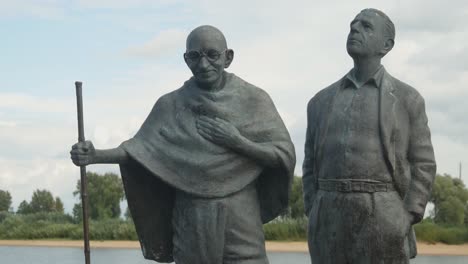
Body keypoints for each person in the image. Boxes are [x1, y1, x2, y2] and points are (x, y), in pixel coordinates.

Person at [71, 25, 295, 264]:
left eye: (212, 55)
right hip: (192, 212)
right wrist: (95, 156)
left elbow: (282, 154)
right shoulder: (170, 105)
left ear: (228, 57)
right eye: (195, 56)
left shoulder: (254, 99)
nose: (204, 64)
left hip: (241, 210)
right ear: (186, 59)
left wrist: (237, 141)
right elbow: (138, 150)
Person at [302, 8, 436, 264]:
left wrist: (407, 214)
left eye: (366, 26)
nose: (355, 29)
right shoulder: (319, 102)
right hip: (327, 212)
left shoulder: (408, 99)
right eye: (353, 25)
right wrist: (313, 206)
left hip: (384, 211)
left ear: (386, 45)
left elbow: (424, 163)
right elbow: (309, 163)